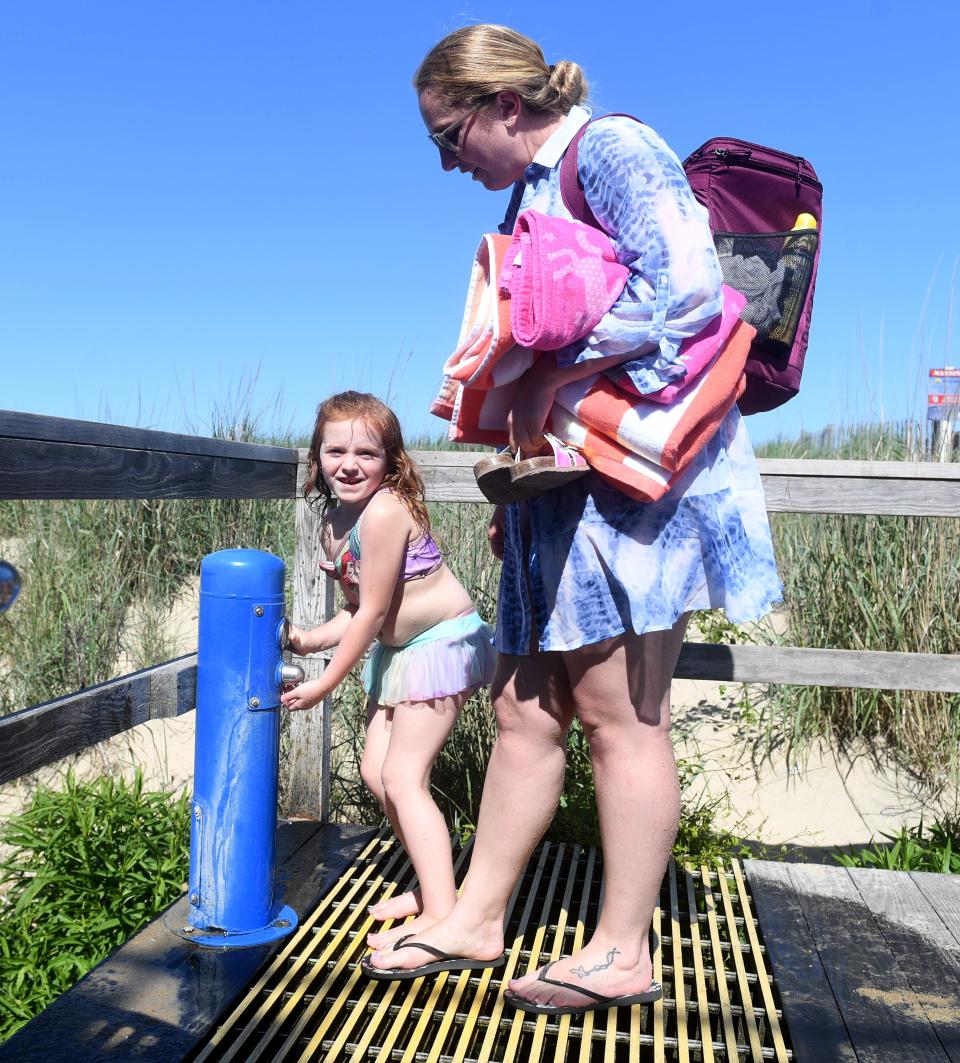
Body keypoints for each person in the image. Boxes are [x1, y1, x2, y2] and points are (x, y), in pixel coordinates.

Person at [364, 25, 781, 1016]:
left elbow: (685, 291)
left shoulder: (614, 150)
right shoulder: (530, 190)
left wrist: (553, 366)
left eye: (448, 135)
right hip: (564, 492)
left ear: (505, 105)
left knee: (620, 718)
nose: (446, 161)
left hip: (638, 494)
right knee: (521, 709)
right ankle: (476, 915)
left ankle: (622, 948)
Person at [281, 391, 496, 951]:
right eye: (335, 451)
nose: (349, 465)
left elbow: (375, 611)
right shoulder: (335, 520)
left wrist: (325, 681)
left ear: (391, 460)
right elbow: (356, 610)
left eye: (366, 454)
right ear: (316, 457)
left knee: (404, 777)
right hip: (399, 654)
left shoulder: (383, 510)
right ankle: (432, 886)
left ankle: (444, 913)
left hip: (440, 645)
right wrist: (306, 640)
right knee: (379, 774)